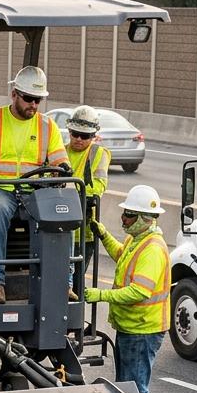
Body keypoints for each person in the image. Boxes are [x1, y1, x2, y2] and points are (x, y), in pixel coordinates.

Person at [0, 66, 69, 304]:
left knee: (61, 213)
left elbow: (61, 161)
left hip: (33, 192)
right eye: (29, 99)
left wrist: (63, 170)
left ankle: (59, 281)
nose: (33, 105)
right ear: (14, 94)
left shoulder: (48, 127)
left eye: (38, 100)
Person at [84, 184, 171, 393]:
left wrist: (99, 295)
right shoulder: (137, 239)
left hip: (143, 330)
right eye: (125, 213)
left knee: (135, 387)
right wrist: (103, 234)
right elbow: (121, 254)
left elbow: (139, 292)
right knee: (126, 385)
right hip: (131, 326)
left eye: (129, 215)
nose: (123, 218)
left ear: (147, 218)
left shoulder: (153, 249)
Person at [64, 105, 110, 286]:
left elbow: (98, 187)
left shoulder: (98, 154)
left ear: (93, 136)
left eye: (85, 136)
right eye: (75, 133)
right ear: (69, 131)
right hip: (57, 228)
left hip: (83, 233)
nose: (78, 139)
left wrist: (67, 189)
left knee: (75, 284)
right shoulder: (59, 150)